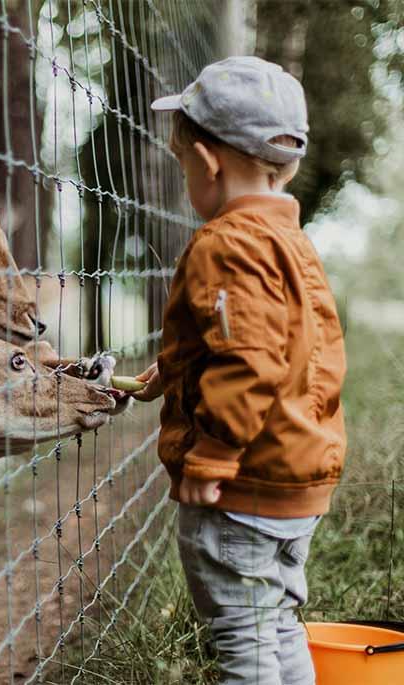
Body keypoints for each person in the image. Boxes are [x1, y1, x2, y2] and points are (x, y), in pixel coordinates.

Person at [131, 56, 347, 685]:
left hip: (240, 489)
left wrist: (214, 454)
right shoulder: (290, 242)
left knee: (244, 647)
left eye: (182, 166)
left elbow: (249, 359)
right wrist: (174, 373)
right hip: (293, 481)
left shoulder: (225, 244)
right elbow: (285, 350)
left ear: (207, 162)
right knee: (277, 628)